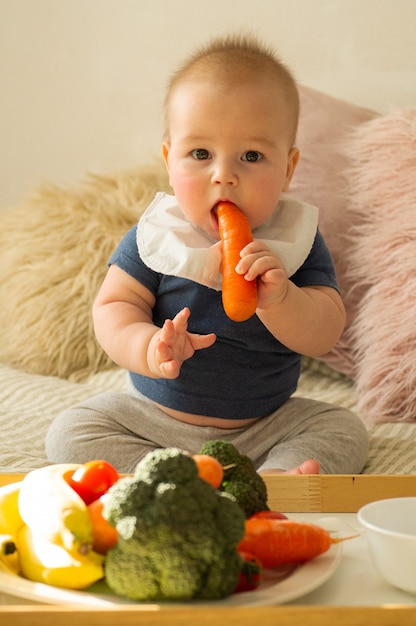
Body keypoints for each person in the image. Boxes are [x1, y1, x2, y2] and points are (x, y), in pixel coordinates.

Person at [46, 34, 368, 475]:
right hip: (156, 421)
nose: (224, 176)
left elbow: (325, 333)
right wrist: (149, 347)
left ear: (289, 169)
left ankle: (273, 480)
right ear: (168, 159)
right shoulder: (158, 236)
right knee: (71, 431)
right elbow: (113, 308)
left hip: (266, 424)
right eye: (200, 153)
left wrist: (282, 300)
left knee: (343, 429)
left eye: (251, 155)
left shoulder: (297, 242)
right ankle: (171, 475)